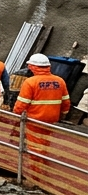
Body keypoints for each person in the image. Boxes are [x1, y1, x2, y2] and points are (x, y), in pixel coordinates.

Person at [13, 53, 72, 181]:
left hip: (35, 119)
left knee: (35, 147)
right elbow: (66, 103)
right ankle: (42, 167)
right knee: (45, 144)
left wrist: (15, 115)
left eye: (30, 65)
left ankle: (36, 175)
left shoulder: (30, 82)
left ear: (34, 67)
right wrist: (62, 114)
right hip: (51, 119)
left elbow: (21, 104)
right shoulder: (59, 81)